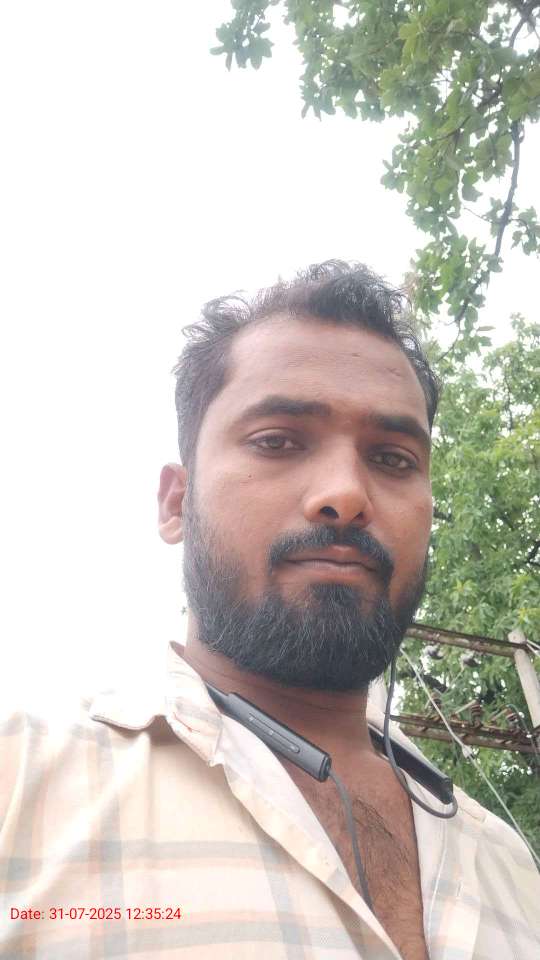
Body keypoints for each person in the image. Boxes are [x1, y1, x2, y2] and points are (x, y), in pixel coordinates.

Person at [1, 261, 538, 960]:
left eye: (393, 458)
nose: (346, 494)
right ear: (176, 503)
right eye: (278, 441)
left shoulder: (513, 868)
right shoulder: (21, 780)